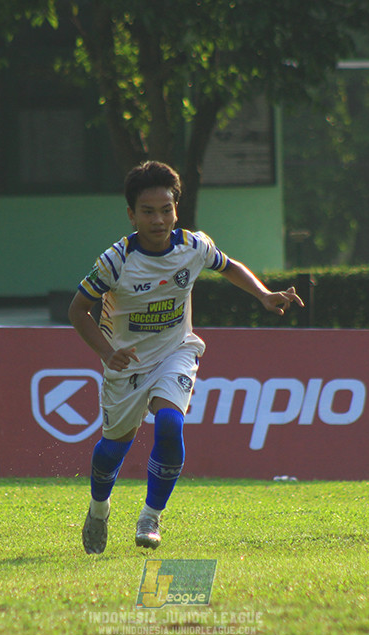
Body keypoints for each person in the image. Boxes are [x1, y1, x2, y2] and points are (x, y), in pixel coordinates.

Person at [68, 161, 304, 554]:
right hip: (126, 364)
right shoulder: (115, 261)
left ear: (177, 209)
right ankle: (98, 509)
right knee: (113, 449)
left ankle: (151, 516)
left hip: (176, 352)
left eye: (166, 209)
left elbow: (228, 266)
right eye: (148, 211)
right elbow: (77, 311)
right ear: (131, 214)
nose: (158, 220)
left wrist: (264, 294)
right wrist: (108, 354)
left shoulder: (193, 247)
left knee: (169, 424)